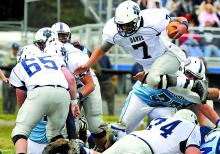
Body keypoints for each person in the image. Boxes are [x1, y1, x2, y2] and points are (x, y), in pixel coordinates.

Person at [74, 0, 208, 103]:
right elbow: (103, 48)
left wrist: (184, 25)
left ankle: (198, 87)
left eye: (128, 24)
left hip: (167, 57)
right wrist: (88, 64)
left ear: (137, 18)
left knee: (155, 81)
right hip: (149, 66)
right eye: (121, 25)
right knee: (192, 97)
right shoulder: (113, 30)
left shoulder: (152, 19)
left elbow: (177, 20)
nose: (125, 28)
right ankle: (207, 91)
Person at [43, 109, 202, 154]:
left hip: (132, 138)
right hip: (144, 151)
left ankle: (72, 146)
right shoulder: (192, 128)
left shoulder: (163, 120)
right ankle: (83, 150)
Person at [8, 29, 78, 154]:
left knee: (20, 130)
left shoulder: (21, 65)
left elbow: (20, 94)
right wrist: (74, 102)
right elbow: (70, 79)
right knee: (55, 134)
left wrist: (25, 114)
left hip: (40, 93)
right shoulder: (53, 59)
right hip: (63, 94)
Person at [109, 57, 219, 139]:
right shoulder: (172, 72)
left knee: (170, 137)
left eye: (196, 78)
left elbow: (203, 103)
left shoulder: (194, 87)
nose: (192, 79)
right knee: (120, 132)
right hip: (142, 98)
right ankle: (104, 149)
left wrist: (217, 123)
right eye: (189, 75)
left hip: (164, 107)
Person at [51, 22, 107, 151]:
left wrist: (74, 98)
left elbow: (90, 84)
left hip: (85, 86)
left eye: (64, 36)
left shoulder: (76, 56)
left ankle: (103, 151)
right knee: (67, 128)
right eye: (58, 36)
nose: (61, 39)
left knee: (95, 126)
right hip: (71, 89)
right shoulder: (48, 53)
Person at [2, 42, 19, 114]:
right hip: (7, 77)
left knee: (13, 95)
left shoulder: (19, 57)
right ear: (12, 49)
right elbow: (6, 65)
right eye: (14, 49)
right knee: (6, 95)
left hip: (15, 79)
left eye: (16, 49)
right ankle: (5, 110)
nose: (15, 50)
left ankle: (12, 111)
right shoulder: (7, 56)